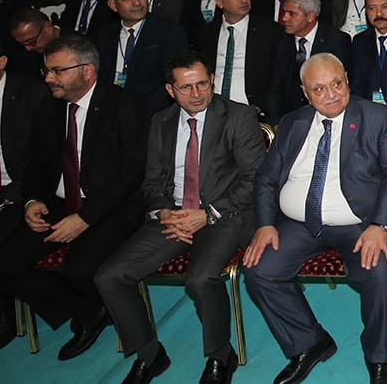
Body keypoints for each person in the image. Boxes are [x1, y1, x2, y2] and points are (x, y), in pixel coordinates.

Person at [95, 50, 265, 384]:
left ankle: (220, 355)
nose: (196, 93)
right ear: (170, 90)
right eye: (186, 87)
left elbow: (254, 180)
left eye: (202, 84)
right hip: (173, 216)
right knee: (110, 276)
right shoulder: (161, 122)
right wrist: (164, 212)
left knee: (200, 279)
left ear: (212, 80)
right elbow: (152, 182)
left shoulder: (238, 116)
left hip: (223, 215)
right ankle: (149, 355)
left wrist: (207, 213)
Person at [243, 53, 387, 384]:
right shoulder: (292, 122)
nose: (331, 94)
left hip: (361, 222)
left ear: (346, 78)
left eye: (336, 83)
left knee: (379, 272)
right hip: (298, 223)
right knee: (259, 269)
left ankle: (378, 357)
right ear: (305, 93)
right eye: (319, 89)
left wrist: (381, 225)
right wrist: (265, 224)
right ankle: (308, 343)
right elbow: (267, 179)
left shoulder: (376, 116)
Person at [0, 36, 148, 361]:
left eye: (57, 71)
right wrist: (32, 201)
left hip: (113, 207)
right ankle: (90, 309)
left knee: (80, 270)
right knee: (4, 265)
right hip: (59, 204)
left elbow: (130, 176)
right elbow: (38, 161)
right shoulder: (50, 106)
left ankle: (92, 307)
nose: (49, 78)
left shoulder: (126, 106)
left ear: (88, 71)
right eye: (46, 71)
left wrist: (84, 218)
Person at [0, 40, 50, 349]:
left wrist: (14, 194)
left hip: (22, 191)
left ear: (2, 61)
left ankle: (4, 315)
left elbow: (44, 157)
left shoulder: (32, 94)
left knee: (4, 258)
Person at [95, 0, 190, 114]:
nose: (137, 2)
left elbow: (175, 81)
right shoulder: (105, 35)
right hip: (110, 111)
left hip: (151, 113)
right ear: (113, 5)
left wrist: (134, 111)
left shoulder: (170, 32)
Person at [264, 0, 353, 125]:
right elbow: (274, 88)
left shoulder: (337, 41)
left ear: (310, 16)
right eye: (284, 12)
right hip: (290, 119)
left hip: (328, 115)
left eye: (291, 14)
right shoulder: (280, 42)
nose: (284, 18)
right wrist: (276, 123)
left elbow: (344, 86)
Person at [198, 0, 282, 116]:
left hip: (253, 112)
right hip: (213, 110)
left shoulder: (270, 32)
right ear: (219, 2)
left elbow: (277, 81)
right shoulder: (207, 33)